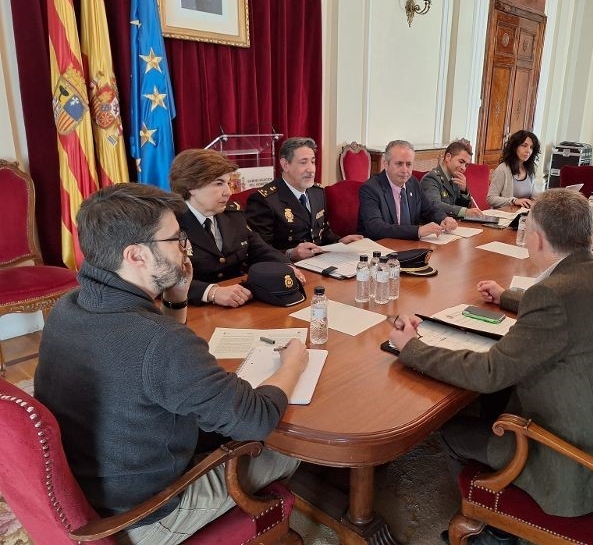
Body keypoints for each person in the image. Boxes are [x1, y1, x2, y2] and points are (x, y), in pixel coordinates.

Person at [34, 183, 307, 544]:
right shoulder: (160, 343)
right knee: (288, 449)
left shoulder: (69, 305)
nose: (185, 249)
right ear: (136, 256)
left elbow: (150, 364)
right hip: (146, 515)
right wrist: (293, 363)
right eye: (176, 241)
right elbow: (256, 420)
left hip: (95, 483)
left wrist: (177, 299)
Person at [389, 189, 593, 519]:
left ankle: (494, 528)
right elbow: (571, 309)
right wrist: (509, 298)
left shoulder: (553, 296)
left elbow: (489, 373)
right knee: (494, 399)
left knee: (453, 428)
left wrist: (411, 348)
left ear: (539, 239)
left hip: (576, 460)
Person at [169, 149, 302, 307]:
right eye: (219, 183)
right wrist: (211, 292)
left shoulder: (233, 214)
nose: (229, 192)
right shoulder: (169, 224)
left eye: (228, 183)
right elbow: (163, 278)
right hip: (194, 308)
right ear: (191, 186)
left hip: (240, 302)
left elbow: (259, 249)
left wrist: (286, 266)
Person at [246, 137, 362, 262]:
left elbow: (324, 233)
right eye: (303, 162)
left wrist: (339, 242)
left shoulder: (317, 192)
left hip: (320, 263)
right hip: (286, 269)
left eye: (312, 162)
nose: (311, 169)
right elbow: (257, 251)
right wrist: (290, 254)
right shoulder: (264, 200)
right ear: (285, 165)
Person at [357, 140, 458, 240]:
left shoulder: (412, 183)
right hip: (379, 248)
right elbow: (376, 228)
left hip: (408, 245)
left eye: (408, 164)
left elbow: (429, 209)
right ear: (386, 164)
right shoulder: (370, 189)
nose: (405, 170)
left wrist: (443, 219)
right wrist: (418, 231)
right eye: (399, 164)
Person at [420, 140, 482, 219]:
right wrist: (465, 211)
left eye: (466, 165)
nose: (463, 168)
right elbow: (434, 205)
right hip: (435, 226)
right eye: (461, 162)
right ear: (448, 157)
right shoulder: (431, 178)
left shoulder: (454, 178)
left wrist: (464, 191)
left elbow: (461, 209)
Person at [486, 130, 541, 208]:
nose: (528, 150)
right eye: (524, 145)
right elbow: (491, 198)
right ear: (515, 147)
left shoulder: (530, 169)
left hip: (523, 215)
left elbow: (534, 195)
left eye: (531, 147)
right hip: (505, 216)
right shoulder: (503, 169)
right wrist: (514, 201)